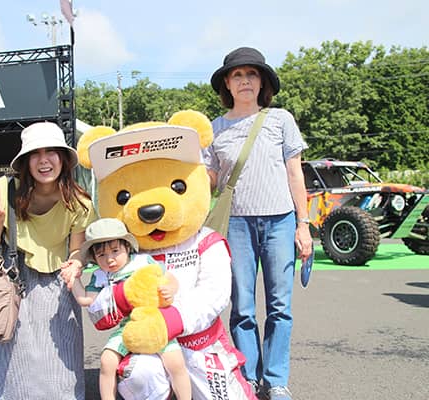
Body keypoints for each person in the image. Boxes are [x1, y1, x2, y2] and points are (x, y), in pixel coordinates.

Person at [0, 121, 97, 399]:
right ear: (26, 161)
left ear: (63, 159)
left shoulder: (79, 201)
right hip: (11, 282)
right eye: (36, 153)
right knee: (9, 363)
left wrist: (76, 264)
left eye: (51, 152)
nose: (44, 160)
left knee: (60, 361)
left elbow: (77, 250)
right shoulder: (4, 189)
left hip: (57, 286)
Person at [204, 47, 313, 400]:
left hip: (280, 221)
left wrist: (303, 224)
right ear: (227, 84)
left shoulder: (281, 119)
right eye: (237, 75)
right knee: (243, 308)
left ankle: (276, 379)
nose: (245, 80)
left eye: (252, 74)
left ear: (262, 82)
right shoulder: (214, 129)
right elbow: (206, 180)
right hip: (235, 225)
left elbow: (295, 173)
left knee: (280, 306)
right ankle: (248, 377)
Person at [69, 218, 191, 400]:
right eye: (101, 255)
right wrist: (74, 281)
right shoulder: (100, 276)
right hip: (127, 328)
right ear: (94, 258)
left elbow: (170, 278)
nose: (109, 259)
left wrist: (170, 290)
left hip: (154, 322)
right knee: (107, 360)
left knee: (176, 363)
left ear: (127, 247)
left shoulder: (143, 262)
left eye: (115, 251)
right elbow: (86, 300)